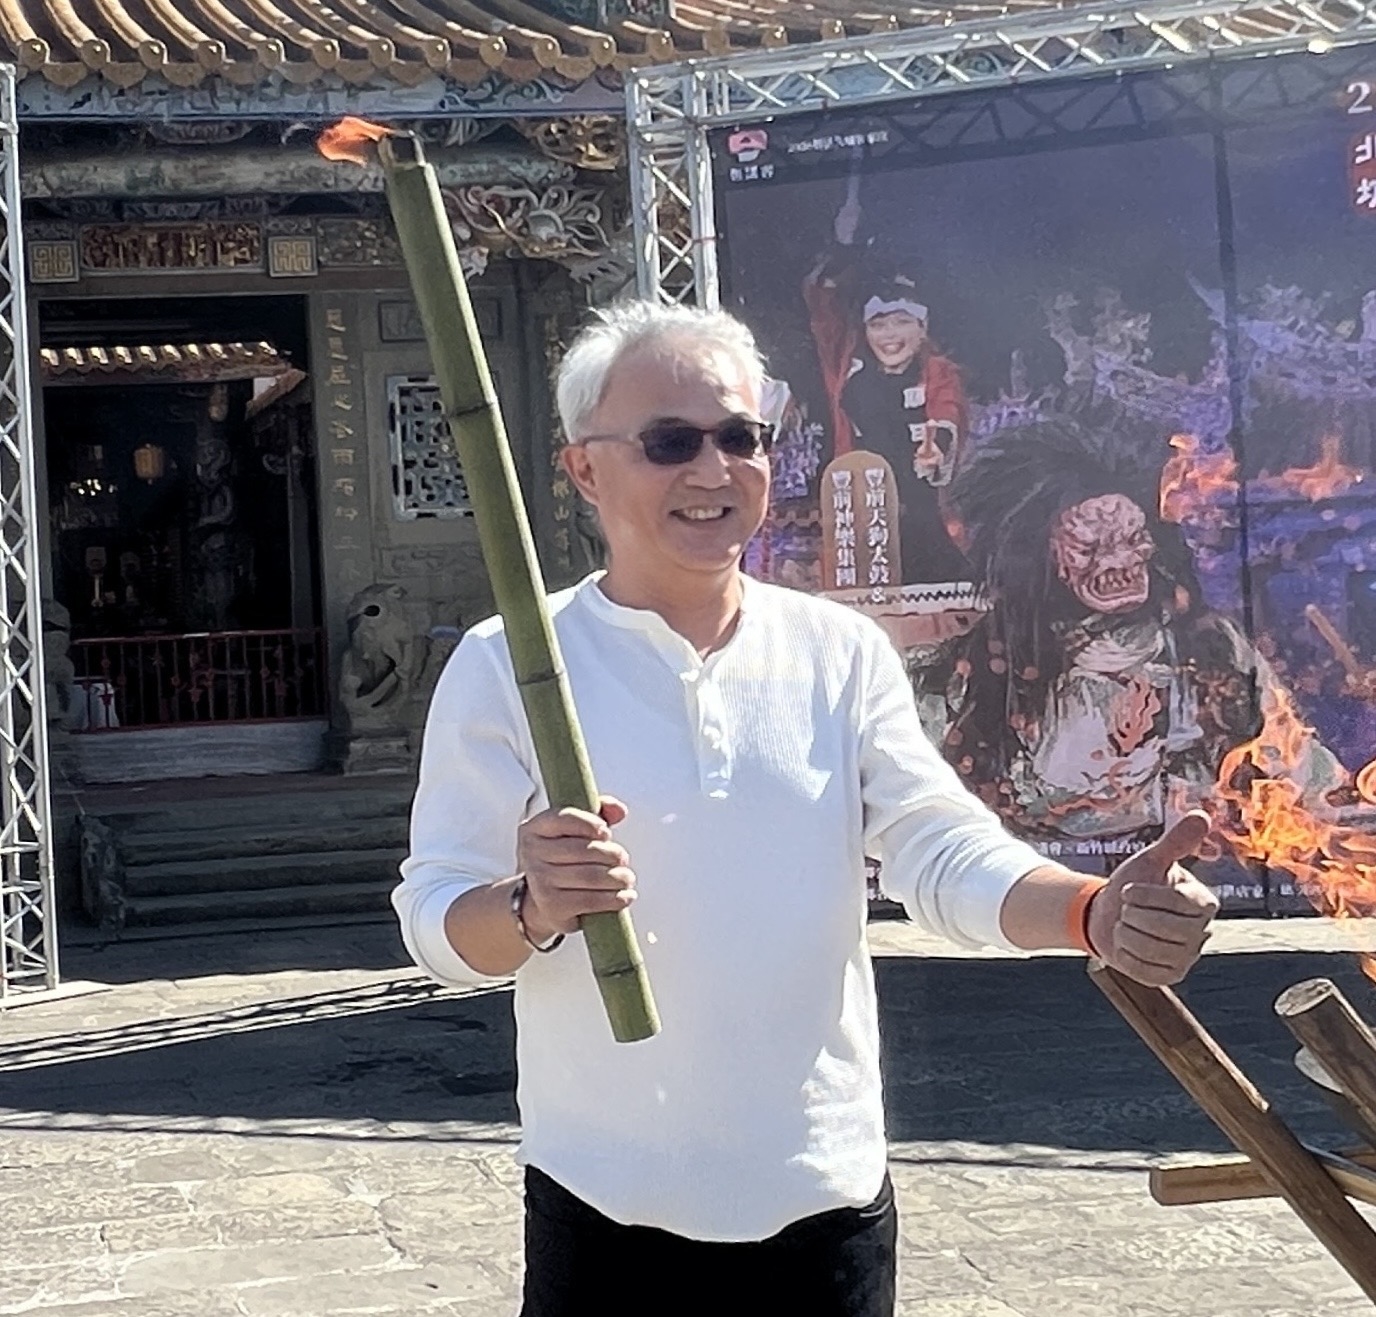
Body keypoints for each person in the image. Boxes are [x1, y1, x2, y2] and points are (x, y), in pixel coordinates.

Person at [393, 302, 1220, 1317]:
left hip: (823, 1201)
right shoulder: (510, 664)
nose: (713, 469)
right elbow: (436, 920)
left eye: (740, 437)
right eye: (669, 442)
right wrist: (531, 906)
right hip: (604, 1202)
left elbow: (935, 847)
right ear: (584, 470)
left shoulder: (837, 652)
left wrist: (1089, 910)